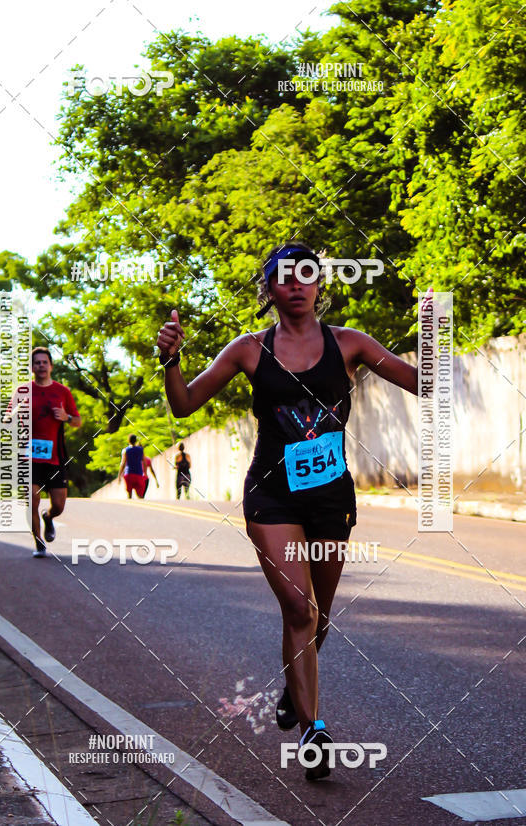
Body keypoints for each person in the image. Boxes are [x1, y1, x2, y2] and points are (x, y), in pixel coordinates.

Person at [156, 241, 418, 781]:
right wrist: (171, 360)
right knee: (299, 610)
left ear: (320, 285)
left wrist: (434, 332)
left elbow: (424, 383)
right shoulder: (248, 349)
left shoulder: (350, 344)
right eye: (285, 277)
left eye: (306, 276)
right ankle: (312, 729)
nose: (296, 286)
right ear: (270, 289)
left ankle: (294, 691)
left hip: (330, 498)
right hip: (272, 496)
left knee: (318, 615)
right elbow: (184, 404)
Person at [28, 347, 81, 557]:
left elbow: (77, 421)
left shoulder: (62, 391)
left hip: (55, 457)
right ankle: (39, 543)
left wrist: (65, 417)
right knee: (31, 497)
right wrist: (16, 411)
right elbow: (6, 419)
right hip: (30, 457)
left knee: (58, 505)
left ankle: (48, 518)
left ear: (50, 366)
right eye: (37, 363)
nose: (41, 366)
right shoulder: (23, 391)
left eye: (44, 362)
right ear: (32, 367)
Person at [118, 434, 147, 499]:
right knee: (140, 495)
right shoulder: (140, 450)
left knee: (129, 495)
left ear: (128, 441)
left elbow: (122, 463)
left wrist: (119, 475)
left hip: (129, 474)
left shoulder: (125, 450)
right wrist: (145, 473)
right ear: (135, 441)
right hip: (139, 474)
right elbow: (144, 462)